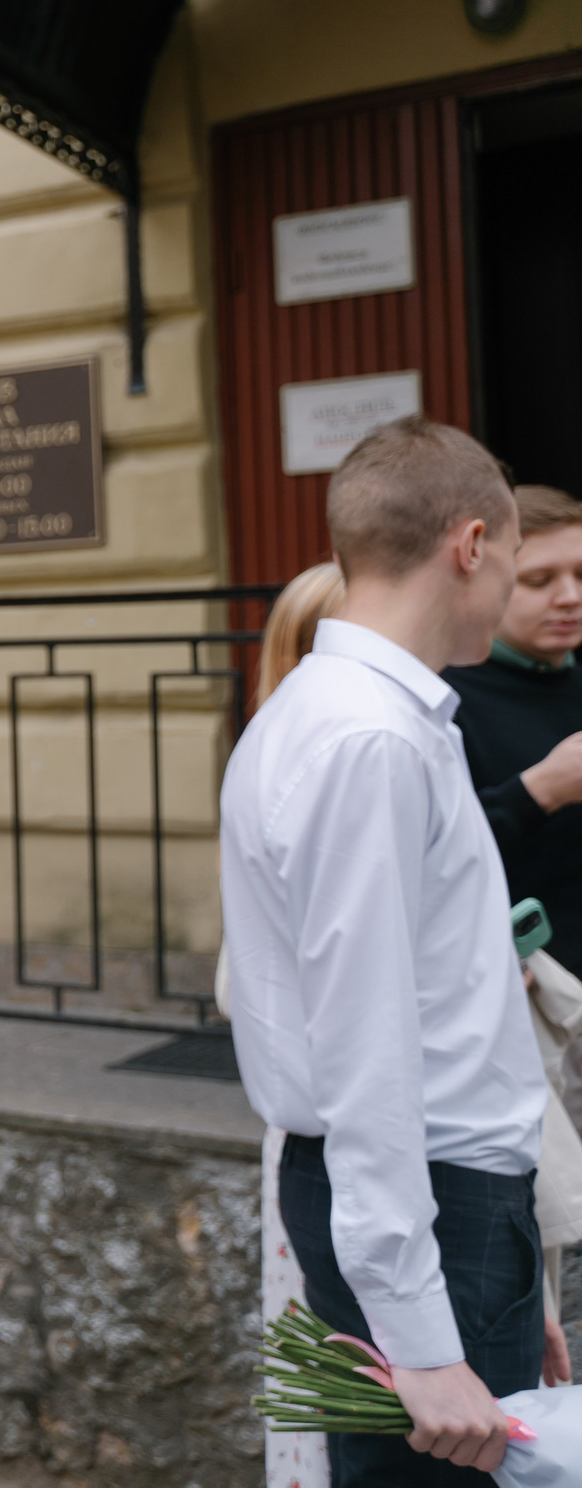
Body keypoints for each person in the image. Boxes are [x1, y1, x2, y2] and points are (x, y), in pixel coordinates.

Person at [222, 416, 548, 1484]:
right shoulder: (367, 736)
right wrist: (425, 1338)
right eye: (512, 558)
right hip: (426, 1211)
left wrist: (513, 1285)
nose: (507, 590)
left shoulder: (359, 717)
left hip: (439, 1213)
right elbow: (366, 1047)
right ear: (469, 545)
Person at [442, 484, 582, 983]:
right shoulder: (443, 697)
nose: (570, 597)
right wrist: (540, 790)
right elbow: (426, 862)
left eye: (581, 574)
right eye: (539, 580)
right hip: (525, 998)